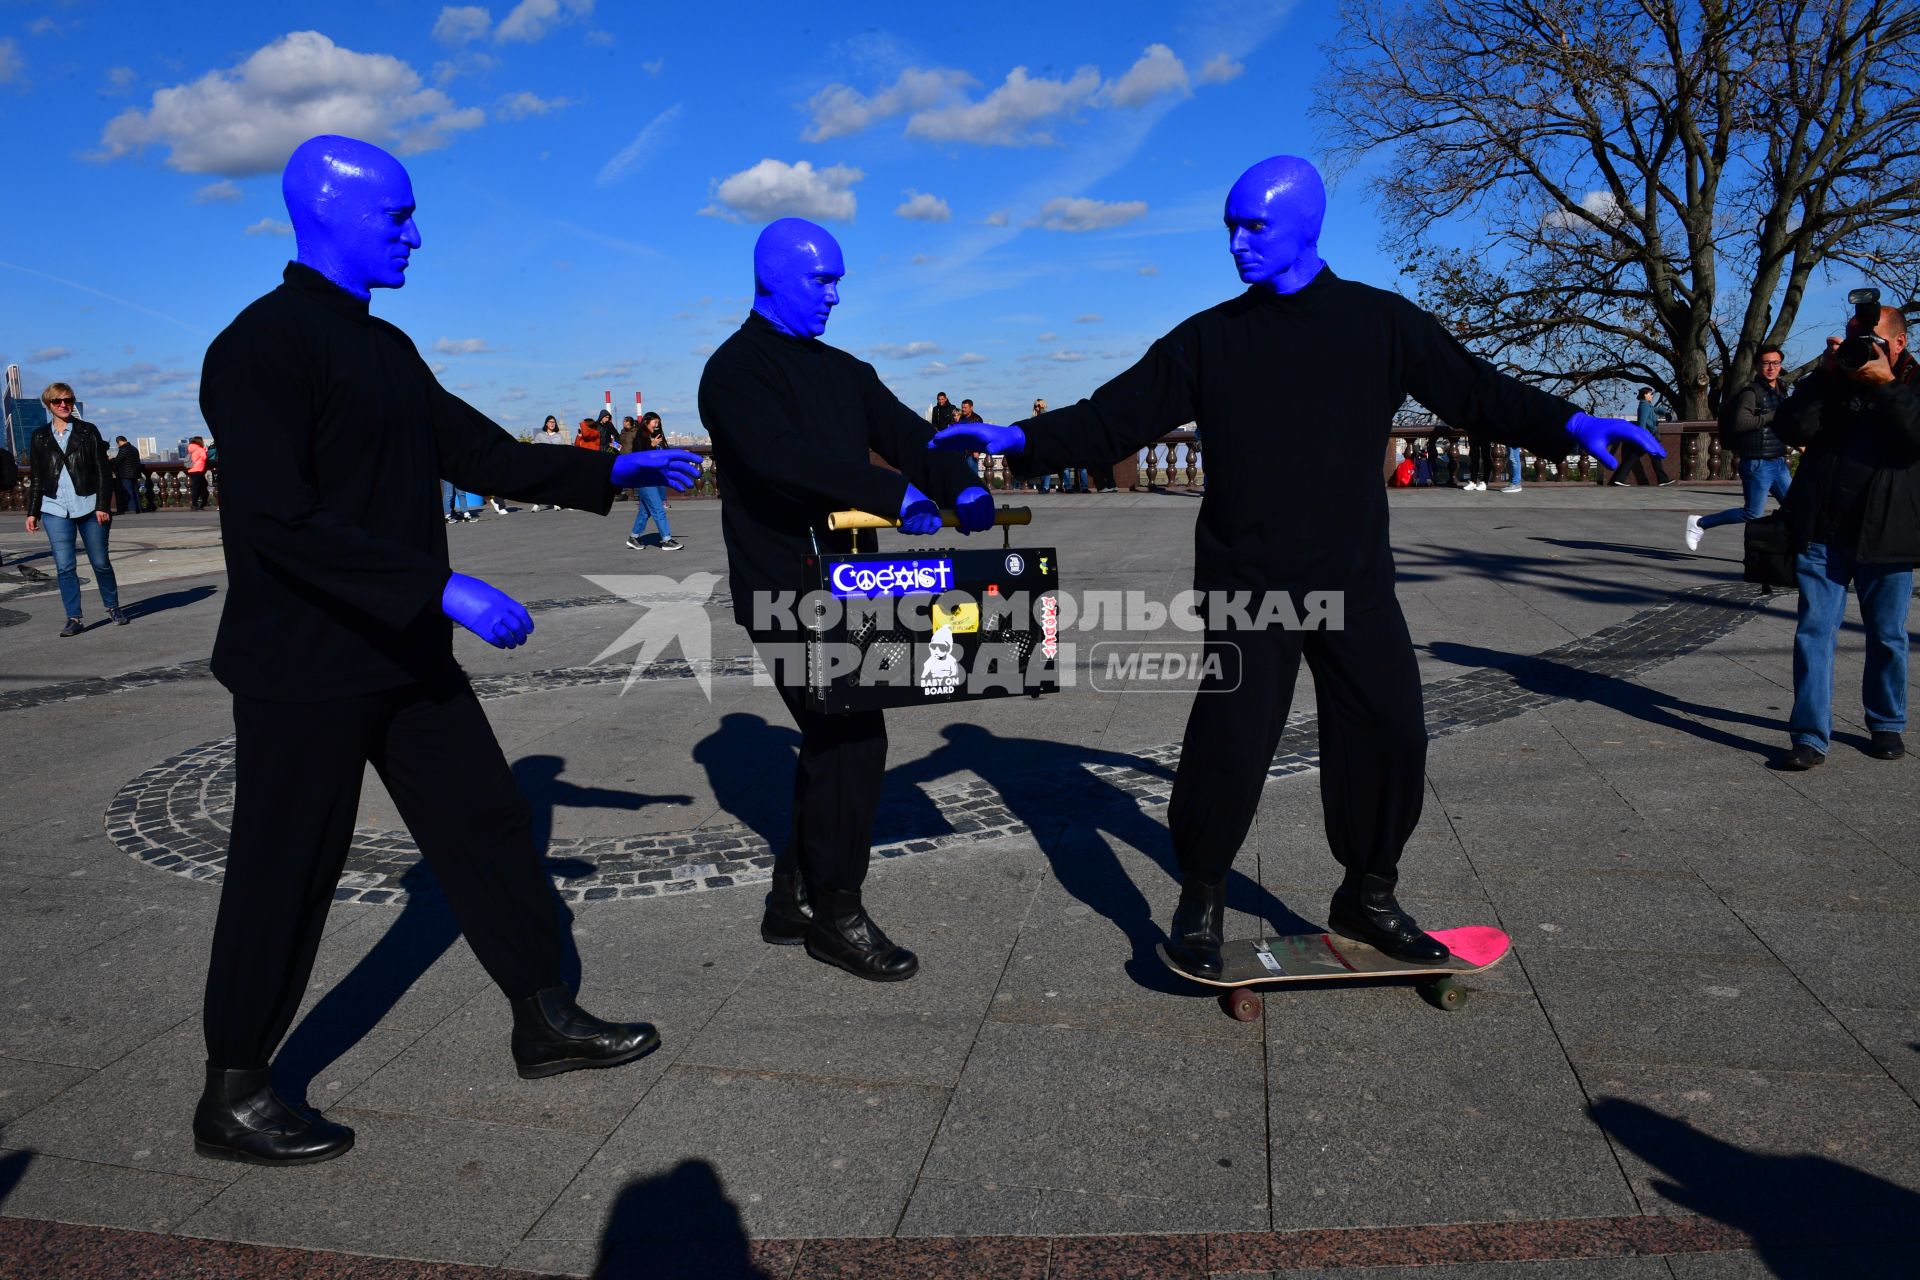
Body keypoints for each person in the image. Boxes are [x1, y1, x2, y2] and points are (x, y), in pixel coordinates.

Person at [931, 155, 1659, 977]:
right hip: (1250, 583)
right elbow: (1115, 415)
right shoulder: (1212, 338)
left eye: (1255, 227)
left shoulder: (1381, 323)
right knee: (1233, 743)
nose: (1237, 243)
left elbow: (1477, 393)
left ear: (1307, 226)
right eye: (1230, 228)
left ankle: (1369, 894)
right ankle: (1200, 892)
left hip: (1353, 579)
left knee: (1391, 734)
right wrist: (1020, 439)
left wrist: (1575, 425)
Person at [192, 134, 703, 1167]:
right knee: (285, 868)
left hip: (402, 659)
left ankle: (544, 1016)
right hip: (304, 666)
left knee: (489, 821)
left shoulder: (386, 349)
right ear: (327, 214)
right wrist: (441, 583)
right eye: (397, 218)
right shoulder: (260, 346)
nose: (416, 235)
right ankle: (235, 1088)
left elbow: (483, 453)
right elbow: (275, 520)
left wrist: (613, 467)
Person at [699, 217, 992, 983]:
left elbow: (906, 433)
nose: (835, 294)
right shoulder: (734, 372)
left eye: (838, 280)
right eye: (820, 279)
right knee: (855, 740)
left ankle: (792, 897)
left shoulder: (846, 370)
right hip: (784, 590)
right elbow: (777, 461)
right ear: (772, 276)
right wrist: (892, 492)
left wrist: (960, 483)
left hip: (852, 585)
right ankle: (838, 912)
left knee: (834, 743)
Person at [1769, 304, 1919, 769]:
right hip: (1823, 532)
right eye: (1852, 335)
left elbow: (1916, 437)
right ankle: (1810, 736)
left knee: (1888, 635)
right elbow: (1789, 426)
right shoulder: (1834, 383)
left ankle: (1887, 724)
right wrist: (1825, 375)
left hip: (1887, 534)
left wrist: (1886, 386)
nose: (1860, 345)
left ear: (1898, 344)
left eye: (1870, 337)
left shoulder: (1914, 386)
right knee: (1813, 634)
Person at [22, 382, 128, 635]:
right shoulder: (39, 436)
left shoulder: (87, 431)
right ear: (48, 405)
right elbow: (37, 477)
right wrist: (32, 511)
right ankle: (74, 617)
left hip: (90, 506)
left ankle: (112, 606)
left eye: (68, 400)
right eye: (58, 401)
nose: (64, 405)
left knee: (100, 562)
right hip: (55, 508)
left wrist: (103, 504)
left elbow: (103, 470)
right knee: (64, 566)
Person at [1685, 347, 1792, 550]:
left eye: (1776, 363)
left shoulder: (1780, 391)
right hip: (1757, 462)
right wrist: (1773, 416)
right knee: (1752, 513)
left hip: (1778, 461)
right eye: (1766, 363)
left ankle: (1788, 550)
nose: (1771, 367)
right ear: (1757, 366)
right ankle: (1700, 523)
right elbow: (1740, 424)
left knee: (1796, 507)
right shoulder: (1751, 393)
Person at [626, 411, 682, 550]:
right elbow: (640, 458)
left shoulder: (653, 437)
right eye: (654, 422)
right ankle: (666, 540)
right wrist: (652, 445)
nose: (656, 425)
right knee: (658, 509)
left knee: (645, 511)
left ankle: (634, 537)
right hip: (645, 479)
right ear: (646, 422)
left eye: (658, 423)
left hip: (654, 477)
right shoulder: (641, 437)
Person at [1612, 390, 1675, 486]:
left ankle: (1619, 479)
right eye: (1650, 394)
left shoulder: (1648, 405)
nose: (1652, 396)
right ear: (1645, 395)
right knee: (1643, 457)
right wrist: (1644, 437)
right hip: (1646, 437)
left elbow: (1656, 409)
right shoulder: (1644, 406)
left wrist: (1666, 412)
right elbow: (1642, 423)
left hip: (1647, 437)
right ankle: (1662, 479)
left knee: (1635, 457)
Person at [529, 414, 566, 509]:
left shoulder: (559, 436)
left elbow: (563, 449)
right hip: (543, 463)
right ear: (546, 423)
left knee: (555, 483)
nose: (552, 424)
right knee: (541, 483)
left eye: (554, 422)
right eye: (550, 422)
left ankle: (556, 503)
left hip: (555, 462)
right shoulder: (540, 435)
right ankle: (536, 503)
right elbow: (535, 448)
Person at [113, 435, 143, 514]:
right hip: (135, 473)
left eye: (117, 443)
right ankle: (138, 509)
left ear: (119, 441)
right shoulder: (134, 449)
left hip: (126, 474)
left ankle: (132, 509)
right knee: (135, 491)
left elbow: (117, 461)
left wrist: (112, 459)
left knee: (129, 492)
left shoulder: (124, 449)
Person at [955, 398, 985, 476]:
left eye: (965, 408)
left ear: (971, 408)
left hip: (971, 453)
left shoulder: (977, 419)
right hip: (962, 452)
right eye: (962, 407)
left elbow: (979, 437)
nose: (963, 409)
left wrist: (976, 450)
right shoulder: (961, 418)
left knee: (973, 475)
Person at [186, 435, 211, 509]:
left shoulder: (191, 449)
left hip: (192, 470)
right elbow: (204, 458)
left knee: (200, 486)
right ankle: (195, 504)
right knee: (197, 487)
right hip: (198, 470)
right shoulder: (200, 449)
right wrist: (205, 450)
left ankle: (201, 503)